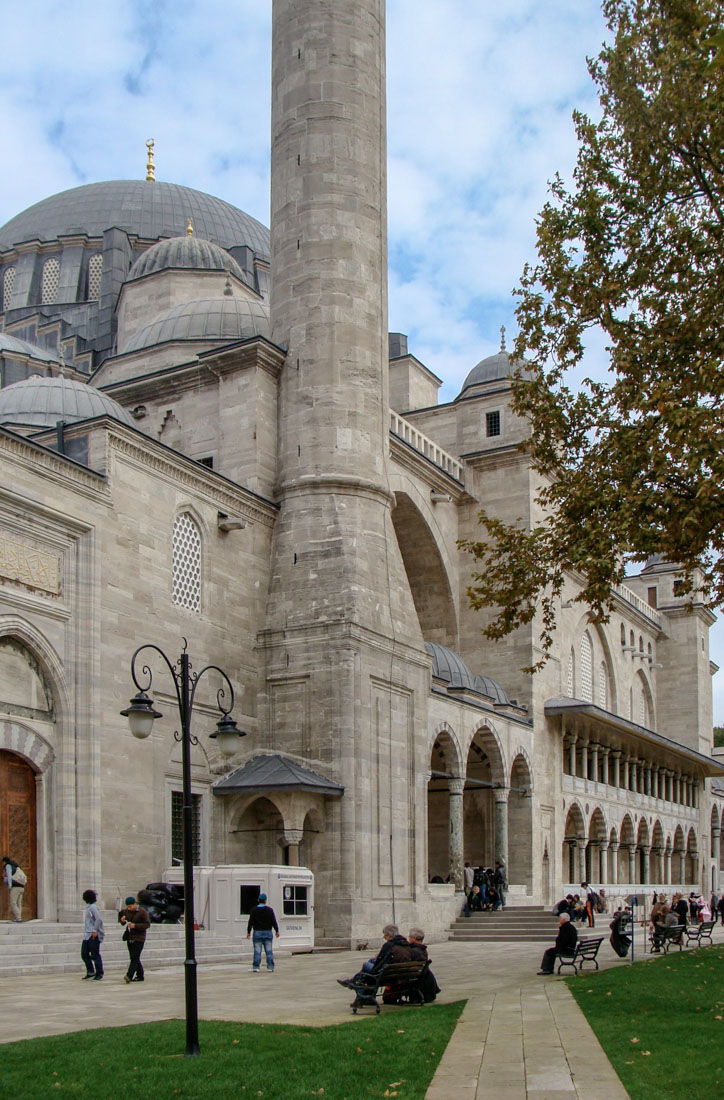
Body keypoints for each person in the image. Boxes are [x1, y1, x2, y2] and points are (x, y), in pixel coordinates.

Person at [337, 923, 412, 992]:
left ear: (389, 936)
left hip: (386, 975)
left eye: (385, 936)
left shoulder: (389, 945)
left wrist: (377, 959)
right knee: (371, 960)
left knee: (366, 965)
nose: (385, 938)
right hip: (399, 972)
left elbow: (379, 962)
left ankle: (354, 982)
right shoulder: (405, 944)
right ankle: (353, 981)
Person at [118, 895, 151, 983]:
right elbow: (123, 921)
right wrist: (122, 920)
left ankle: (129, 975)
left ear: (135, 904)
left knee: (134, 957)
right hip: (130, 937)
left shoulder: (142, 912)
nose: (129, 908)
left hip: (139, 938)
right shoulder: (126, 912)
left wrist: (135, 926)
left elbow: (147, 924)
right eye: (128, 907)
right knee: (134, 957)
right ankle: (140, 975)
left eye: (131, 906)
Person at [246, 892, 279, 972]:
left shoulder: (254, 910)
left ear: (258, 900)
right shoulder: (270, 910)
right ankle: (270, 967)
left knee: (257, 951)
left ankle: (256, 967)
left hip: (257, 932)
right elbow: (273, 921)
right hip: (268, 932)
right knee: (269, 950)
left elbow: (251, 921)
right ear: (265, 901)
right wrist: (277, 930)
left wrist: (248, 932)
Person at [81, 889, 104, 980]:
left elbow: (98, 919)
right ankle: (90, 971)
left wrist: (95, 931)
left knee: (95, 955)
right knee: (84, 954)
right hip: (87, 935)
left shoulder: (93, 907)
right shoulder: (88, 907)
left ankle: (99, 973)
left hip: (93, 935)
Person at [2, 856, 26, 923]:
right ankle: (18, 918)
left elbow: (9, 876)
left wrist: (9, 886)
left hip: (15, 887)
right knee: (18, 903)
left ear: (4, 862)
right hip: (21, 887)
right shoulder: (16, 867)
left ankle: (18, 918)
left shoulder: (8, 866)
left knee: (13, 903)